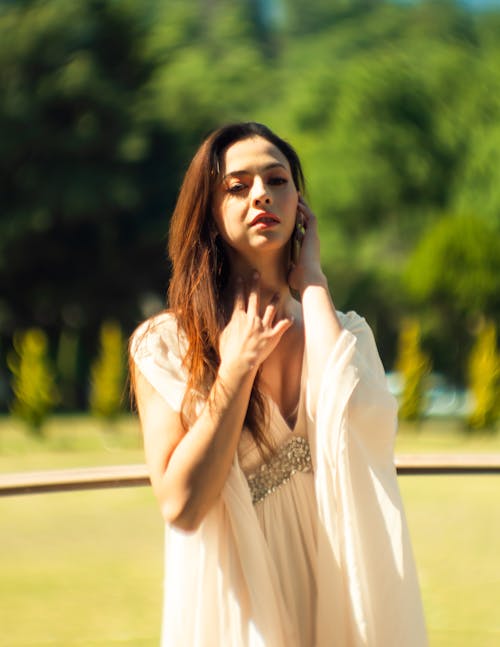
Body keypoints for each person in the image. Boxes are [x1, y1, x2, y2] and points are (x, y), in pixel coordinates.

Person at [129, 122, 428, 647]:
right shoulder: (168, 345)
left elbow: (364, 426)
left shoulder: (344, 332)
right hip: (239, 596)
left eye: (277, 179)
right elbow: (181, 505)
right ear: (208, 212)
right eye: (238, 186)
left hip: (338, 581)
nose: (262, 193)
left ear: (300, 205)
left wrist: (311, 278)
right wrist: (237, 370)